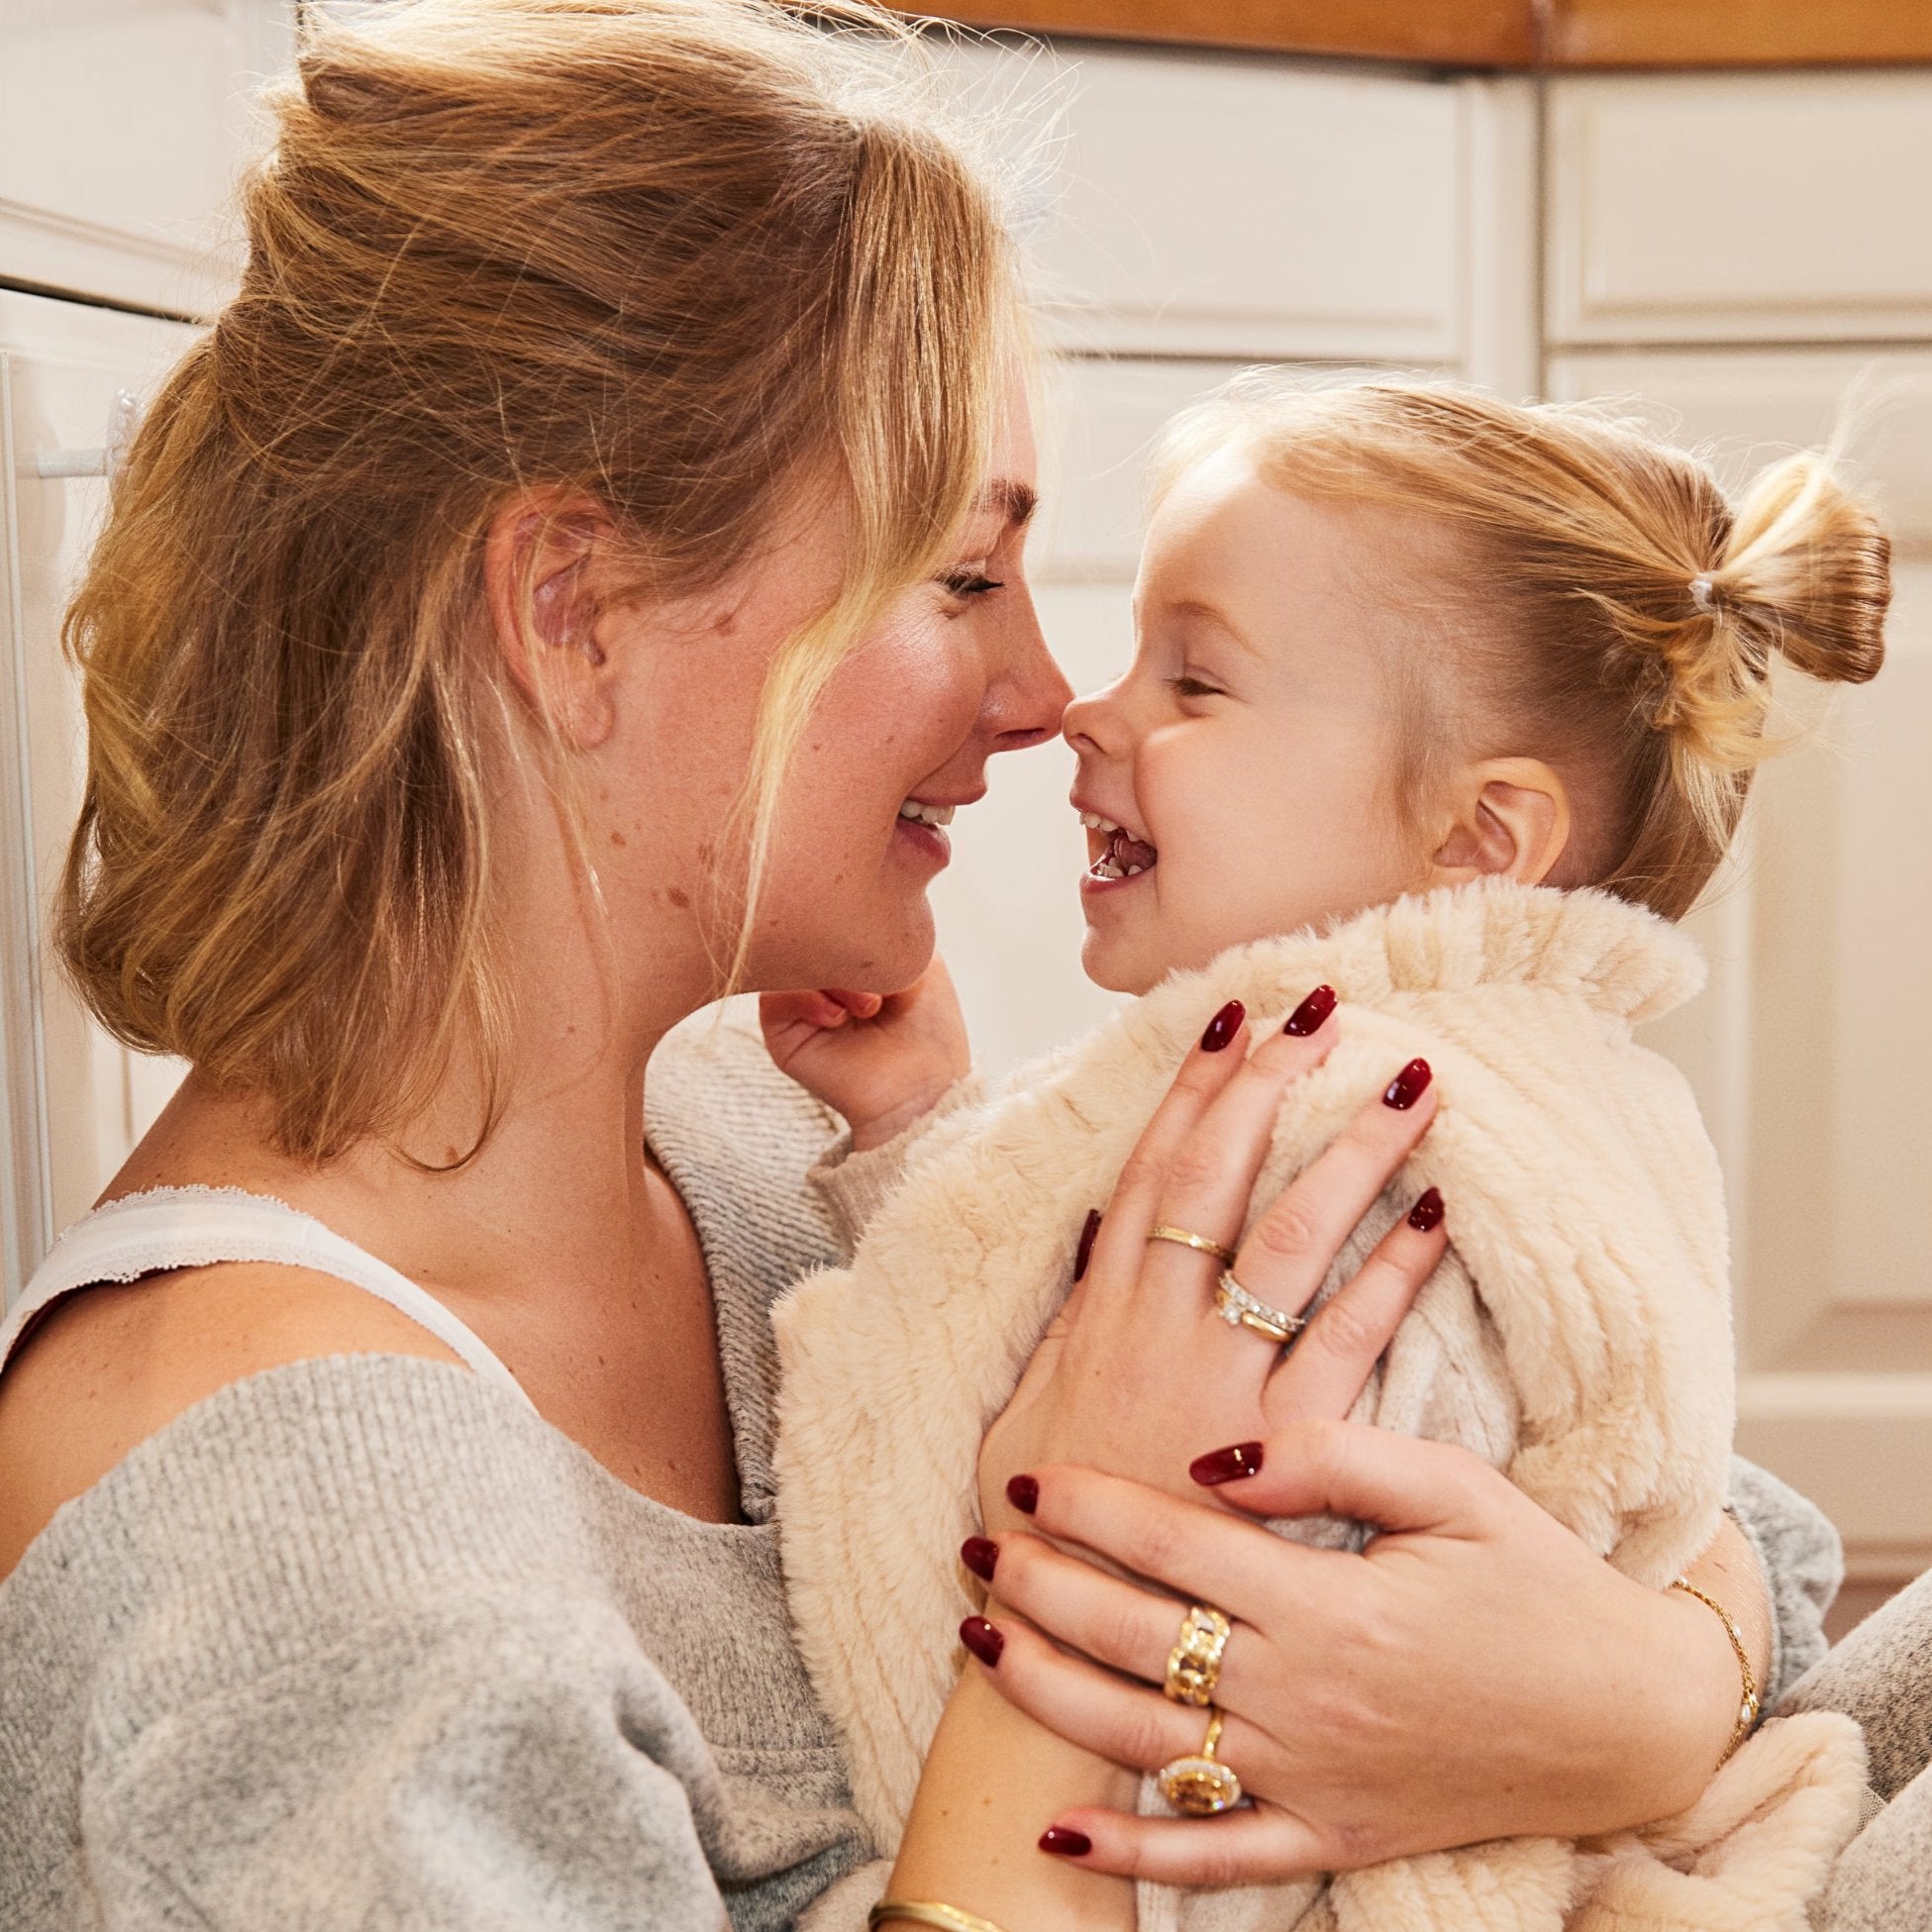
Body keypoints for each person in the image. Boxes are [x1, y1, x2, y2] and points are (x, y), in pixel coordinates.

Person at [0, 5, 1855, 1929]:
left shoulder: (735, 1140)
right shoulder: (301, 1550)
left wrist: (1638, 1701)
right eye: (960, 576)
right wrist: (1085, 1603)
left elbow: (1696, 1509)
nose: (1051, 698)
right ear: (572, 616)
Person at [763, 376, 1886, 1929]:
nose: (1089, 707)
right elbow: (1079, 1367)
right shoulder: (1396, 1067)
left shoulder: (1364, 1133)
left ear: (1480, 839)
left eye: (1197, 681)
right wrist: (917, 1137)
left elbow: (1267, 1694)